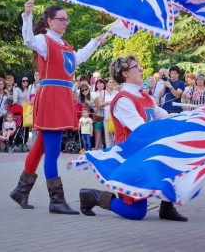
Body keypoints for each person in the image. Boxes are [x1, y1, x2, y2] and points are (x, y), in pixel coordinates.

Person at [10, 0, 106, 214]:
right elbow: (28, 41)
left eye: (66, 19)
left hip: (61, 96)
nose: (66, 23)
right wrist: (27, 16)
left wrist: (95, 42)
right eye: (62, 19)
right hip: (52, 97)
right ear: (50, 21)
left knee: (40, 147)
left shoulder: (65, 44)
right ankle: (56, 200)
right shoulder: (44, 41)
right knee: (52, 151)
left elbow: (78, 58)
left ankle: (20, 190)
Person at [79, 55, 188, 221]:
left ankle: (166, 206)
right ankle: (93, 196)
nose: (141, 69)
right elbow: (140, 129)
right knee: (135, 212)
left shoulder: (144, 97)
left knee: (173, 157)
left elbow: (163, 115)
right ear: (125, 73)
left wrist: (190, 117)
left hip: (145, 155)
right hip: (131, 160)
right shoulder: (122, 100)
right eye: (137, 67)